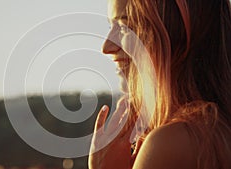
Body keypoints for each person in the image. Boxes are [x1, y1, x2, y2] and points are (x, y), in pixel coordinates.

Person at [88, 0, 231, 168]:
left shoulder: (170, 144)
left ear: (171, 35)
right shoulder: (216, 132)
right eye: (111, 27)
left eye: (125, 27)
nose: (107, 47)